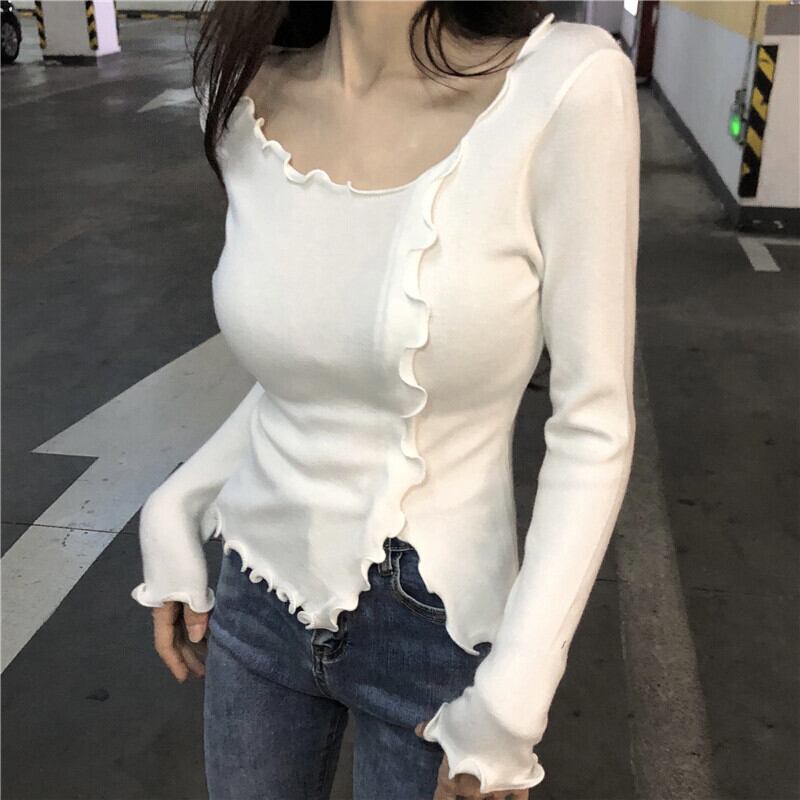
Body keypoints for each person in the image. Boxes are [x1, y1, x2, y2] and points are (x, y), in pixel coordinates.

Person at [130, 2, 641, 799]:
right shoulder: (240, 97)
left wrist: (512, 704)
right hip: (256, 595)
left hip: (439, 631)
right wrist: (178, 502)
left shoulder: (566, 85)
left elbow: (594, 425)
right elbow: (308, 376)